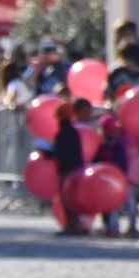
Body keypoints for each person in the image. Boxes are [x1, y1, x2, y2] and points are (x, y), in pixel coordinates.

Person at [52, 99, 87, 236]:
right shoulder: (74, 132)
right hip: (76, 169)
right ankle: (75, 226)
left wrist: (48, 153)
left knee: (67, 201)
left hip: (66, 171)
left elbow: (60, 153)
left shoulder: (62, 133)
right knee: (73, 200)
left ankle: (72, 226)